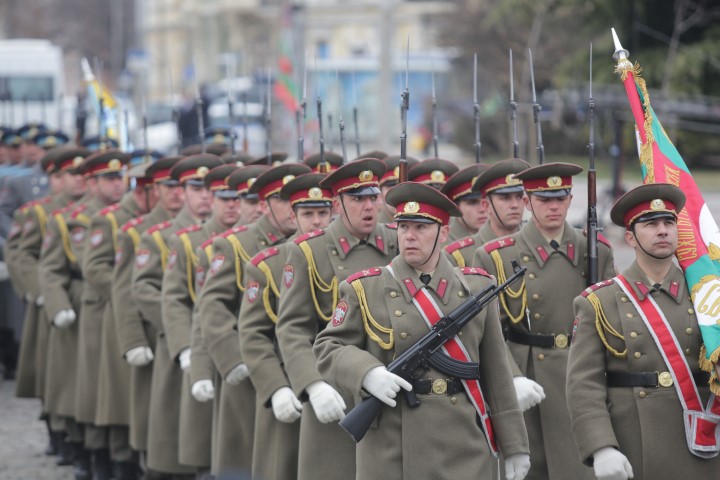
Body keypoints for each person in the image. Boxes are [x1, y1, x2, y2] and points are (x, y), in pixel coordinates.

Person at [313, 181, 531, 480]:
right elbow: (328, 347)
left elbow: (497, 373)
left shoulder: (477, 288)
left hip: (464, 444)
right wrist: (367, 373)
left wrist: (515, 445)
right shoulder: (365, 288)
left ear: (443, 232)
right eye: (403, 227)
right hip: (394, 446)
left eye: (421, 227)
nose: (409, 236)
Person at [472, 162, 615, 480]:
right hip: (527, 374)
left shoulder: (595, 251)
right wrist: (511, 377)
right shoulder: (495, 256)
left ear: (570, 199)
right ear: (527, 202)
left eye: (560, 198)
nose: (553, 206)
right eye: (543, 199)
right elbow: (487, 331)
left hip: (579, 373)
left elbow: (613, 324)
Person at [567, 183, 720, 479]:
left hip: (705, 439)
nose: (662, 230)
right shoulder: (599, 302)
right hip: (634, 441)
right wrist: (601, 446)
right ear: (630, 238)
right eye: (650, 224)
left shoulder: (708, 296)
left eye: (669, 222)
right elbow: (584, 386)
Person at [275, 159, 397, 479]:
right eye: (358, 199)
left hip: (393, 380)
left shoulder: (399, 243)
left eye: (373, 197)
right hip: (336, 388)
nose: (369, 206)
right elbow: (292, 328)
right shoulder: (309, 251)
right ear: (338, 205)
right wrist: (313, 384)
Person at [198, 161, 307, 475]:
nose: (291, 208)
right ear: (265, 205)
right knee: (248, 458)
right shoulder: (236, 245)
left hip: (295, 364)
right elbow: (212, 306)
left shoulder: (309, 247)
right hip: (252, 363)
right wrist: (233, 359)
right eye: (283, 201)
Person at [238, 172, 334, 480]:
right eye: (307, 214)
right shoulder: (269, 264)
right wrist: (276, 388)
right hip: (290, 383)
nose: (316, 221)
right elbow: (253, 335)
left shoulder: (344, 259)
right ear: (293, 215)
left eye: (323, 212)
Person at [132, 154, 222, 478]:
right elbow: (148, 291)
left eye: (209, 189)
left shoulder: (232, 233)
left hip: (221, 343)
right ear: (183, 191)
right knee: (176, 439)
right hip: (179, 345)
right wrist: (183, 340)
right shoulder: (162, 235)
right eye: (195, 189)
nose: (204, 196)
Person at [162, 161, 240, 478]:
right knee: (204, 436)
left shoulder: (250, 242)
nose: (232, 205)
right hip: (205, 345)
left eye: (240, 198)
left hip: (240, 345)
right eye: (224, 197)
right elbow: (175, 298)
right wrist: (185, 349)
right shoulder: (188, 242)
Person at [10, 147, 86, 457]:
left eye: (83, 174)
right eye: (71, 174)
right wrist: (42, 291)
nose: (79, 181)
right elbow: (20, 254)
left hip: (80, 298)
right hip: (50, 300)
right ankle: (57, 429)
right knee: (52, 371)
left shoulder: (93, 212)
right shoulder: (39, 212)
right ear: (55, 178)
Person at [87, 159, 160, 480]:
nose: (117, 184)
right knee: (119, 398)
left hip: (151, 315)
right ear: (146, 190)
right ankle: (117, 463)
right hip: (119, 312)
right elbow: (98, 269)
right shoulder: (115, 221)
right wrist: (127, 293)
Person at [38, 148, 108, 479]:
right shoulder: (68, 219)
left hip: (113, 306)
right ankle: (81, 447)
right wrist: (59, 306)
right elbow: (50, 270)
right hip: (80, 306)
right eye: (105, 177)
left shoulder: (124, 217)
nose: (116, 185)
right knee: (80, 385)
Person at [113, 156, 184, 476]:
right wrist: (132, 340)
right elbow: (127, 291)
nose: (175, 194)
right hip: (154, 330)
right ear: (154, 189)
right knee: (152, 415)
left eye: (179, 186)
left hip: (181, 332)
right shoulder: (141, 232)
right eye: (168, 186)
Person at [445, 158, 529, 267]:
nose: (515, 205)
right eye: (505, 198)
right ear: (487, 205)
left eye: (519, 196)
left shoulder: (535, 243)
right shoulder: (457, 255)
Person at [440, 163, 489, 243]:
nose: (482, 209)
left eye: (486, 201)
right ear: (457, 207)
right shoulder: (443, 244)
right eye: (473, 202)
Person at [376, 154, 419, 224]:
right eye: (391, 188)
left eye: (405, 188)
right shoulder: (371, 228)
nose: (399, 195)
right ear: (380, 194)